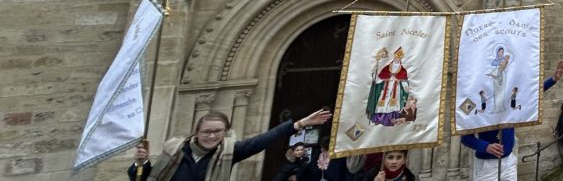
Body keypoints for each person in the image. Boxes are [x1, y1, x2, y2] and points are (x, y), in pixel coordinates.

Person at [129, 108, 331, 181]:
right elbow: (144, 177)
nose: (211, 136)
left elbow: (264, 139)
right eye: (206, 131)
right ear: (196, 132)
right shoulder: (175, 150)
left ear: (225, 133)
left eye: (218, 131)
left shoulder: (229, 151)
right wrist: (140, 163)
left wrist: (300, 124)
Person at [460, 61, 563, 180]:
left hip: (509, 161)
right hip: (487, 164)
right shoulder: (474, 102)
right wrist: (485, 146)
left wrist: (553, 80)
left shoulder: (507, 98)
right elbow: (465, 138)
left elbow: (531, 94)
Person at [318, 149, 416, 181]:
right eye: (390, 157)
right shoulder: (373, 173)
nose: (394, 161)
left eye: (399, 158)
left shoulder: (409, 176)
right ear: (383, 159)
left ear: (404, 160)